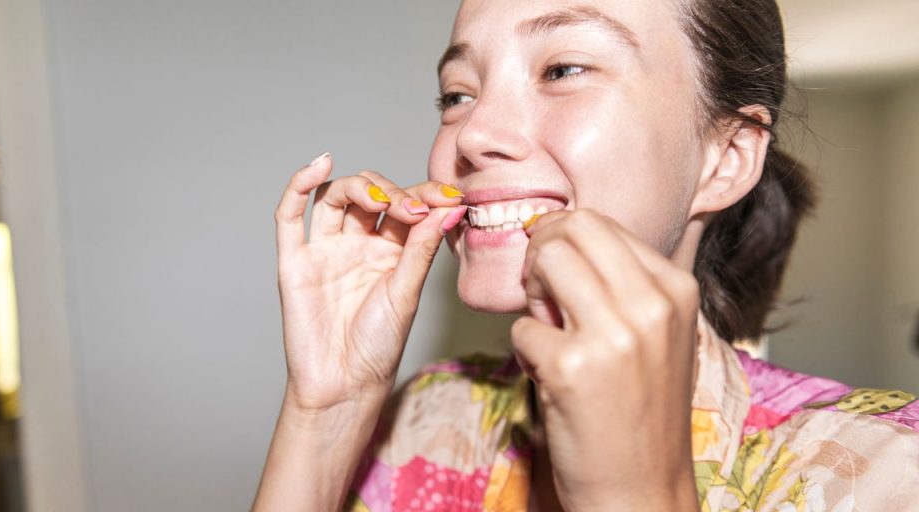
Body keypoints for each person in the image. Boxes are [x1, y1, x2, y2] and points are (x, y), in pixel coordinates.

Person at [253, 0, 919, 510]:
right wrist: (327, 413)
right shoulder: (430, 417)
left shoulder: (887, 472)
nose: (475, 132)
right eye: (458, 94)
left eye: (562, 69)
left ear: (727, 158)